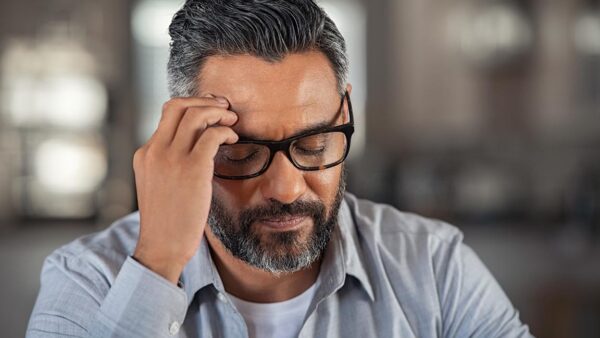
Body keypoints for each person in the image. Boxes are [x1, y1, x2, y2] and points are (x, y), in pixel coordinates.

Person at [27, 0, 533, 337]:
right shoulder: (87, 279)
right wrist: (158, 261)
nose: (287, 188)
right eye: (243, 153)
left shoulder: (434, 267)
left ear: (346, 115)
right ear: (181, 141)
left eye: (314, 144)